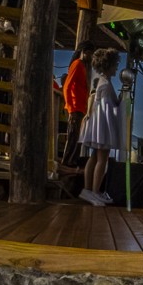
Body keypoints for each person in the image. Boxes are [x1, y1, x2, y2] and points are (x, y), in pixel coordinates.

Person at [79, 48, 124, 206]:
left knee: (94, 157)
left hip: (98, 125)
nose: (117, 68)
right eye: (115, 65)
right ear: (108, 65)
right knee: (102, 160)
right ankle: (94, 191)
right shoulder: (105, 84)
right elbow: (106, 108)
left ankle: (88, 190)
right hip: (102, 125)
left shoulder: (103, 82)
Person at [59, 41, 94, 183]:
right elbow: (67, 85)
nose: (91, 56)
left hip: (80, 108)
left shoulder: (83, 66)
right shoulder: (77, 64)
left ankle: (71, 162)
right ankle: (67, 163)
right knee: (73, 136)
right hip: (75, 107)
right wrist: (69, 105)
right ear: (83, 52)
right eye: (90, 53)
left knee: (77, 136)